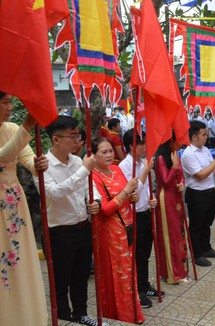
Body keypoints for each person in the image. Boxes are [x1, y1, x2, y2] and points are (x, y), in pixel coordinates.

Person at [43, 116, 104, 326]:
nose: (77, 140)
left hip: (82, 227)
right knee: (61, 278)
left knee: (81, 275)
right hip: (59, 231)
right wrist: (85, 170)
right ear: (56, 139)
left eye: (78, 135)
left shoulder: (77, 161)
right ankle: (63, 315)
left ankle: (81, 314)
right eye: (73, 136)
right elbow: (55, 193)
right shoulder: (43, 166)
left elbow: (90, 187)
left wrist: (94, 200)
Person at [0, 93, 49, 325]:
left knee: (19, 260)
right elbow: (2, 157)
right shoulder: (17, 129)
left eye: (10, 102)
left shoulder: (11, 128)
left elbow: (26, 157)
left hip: (14, 204)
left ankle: (24, 315)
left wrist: (38, 166)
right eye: (4, 102)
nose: (9, 107)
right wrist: (28, 124)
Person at [91, 137, 144, 324]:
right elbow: (104, 210)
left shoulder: (116, 169)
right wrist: (126, 192)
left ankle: (132, 311)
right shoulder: (93, 177)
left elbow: (126, 197)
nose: (108, 155)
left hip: (127, 228)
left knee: (129, 273)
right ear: (93, 155)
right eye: (103, 152)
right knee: (118, 274)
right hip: (110, 233)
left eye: (110, 151)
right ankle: (121, 314)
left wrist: (133, 196)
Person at [119, 129, 163, 309]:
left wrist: (151, 199)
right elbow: (134, 190)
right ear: (132, 146)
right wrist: (146, 169)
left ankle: (144, 285)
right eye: (142, 143)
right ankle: (136, 290)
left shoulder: (143, 162)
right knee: (135, 255)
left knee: (145, 253)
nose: (146, 147)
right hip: (133, 215)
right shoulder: (125, 166)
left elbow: (145, 190)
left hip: (145, 212)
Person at [181, 121, 215, 267]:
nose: (206, 137)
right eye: (204, 134)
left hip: (210, 192)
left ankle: (206, 248)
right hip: (197, 194)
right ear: (194, 137)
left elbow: (212, 168)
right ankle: (197, 254)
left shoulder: (205, 150)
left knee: (206, 224)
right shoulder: (188, 154)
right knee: (196, 225)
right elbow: (200, 174)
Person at [154, 135, 190, 284]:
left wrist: (181, 183)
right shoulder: (161, 159)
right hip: (166, 198)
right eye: (178, 140)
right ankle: (172, 273)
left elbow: (180, 176)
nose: (181, 143)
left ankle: (181, 268)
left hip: (176, 197)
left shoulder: (175, 155)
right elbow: (166, 181)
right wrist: (174, 168)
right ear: (170, 141)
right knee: (171, 234)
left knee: (179, 232)